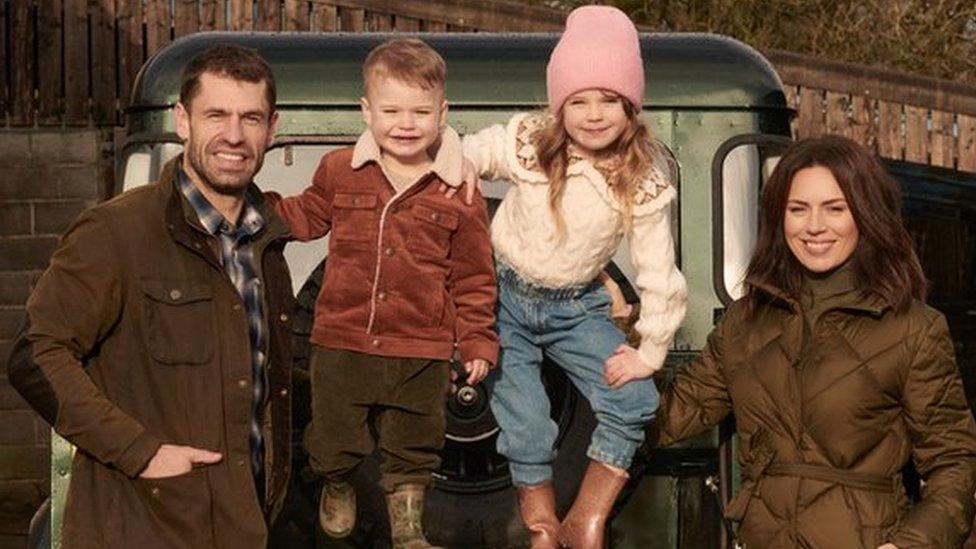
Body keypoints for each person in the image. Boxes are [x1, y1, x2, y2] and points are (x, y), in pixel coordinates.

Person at [7, 44, 294, 548]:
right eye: (216, 115)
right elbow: (35, 355)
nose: (233, 134)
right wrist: (141, 453)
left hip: (246, 526)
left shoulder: (267, 242)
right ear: (183, 121)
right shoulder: (117, 231)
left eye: (251, 118)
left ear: (272, 128)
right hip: (142, 526)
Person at [649, 135, 976, 548]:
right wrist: (606, 337)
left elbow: (955, 464)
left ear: (865, 214)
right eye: (798, 210)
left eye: (835, 209)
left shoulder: (914, 329)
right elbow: (668, 417)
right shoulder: (744, 322)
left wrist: (909, 545)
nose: (815, 226)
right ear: (778, 218)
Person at [461, 6, 688, 547]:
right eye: (578, 100)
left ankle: (586, 517)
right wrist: (457, 188)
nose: (592, 114)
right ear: (559, 104)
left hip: (575, 307)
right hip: (502, 297)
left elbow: (659, 270)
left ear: (630, 106)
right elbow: (470, 153)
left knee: (635, 401)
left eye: (609, 100)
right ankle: (541, 527)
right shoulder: (530, 142)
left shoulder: (641, 179)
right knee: (528, 420)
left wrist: (650, 349)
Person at [272, 38, 498, 548]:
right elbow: (306, 214)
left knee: (414, 442)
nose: (405, 123)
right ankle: (336, 482)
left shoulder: (458, 189)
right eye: (391, 110)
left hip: (420, 345)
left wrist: (479, 341)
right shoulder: (339, 170)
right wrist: (253, 210)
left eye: (421, 111)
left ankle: (409, 529)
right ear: (366, 110)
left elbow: (473, 275)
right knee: (333, 436)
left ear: (443, 113)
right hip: (342, 336)